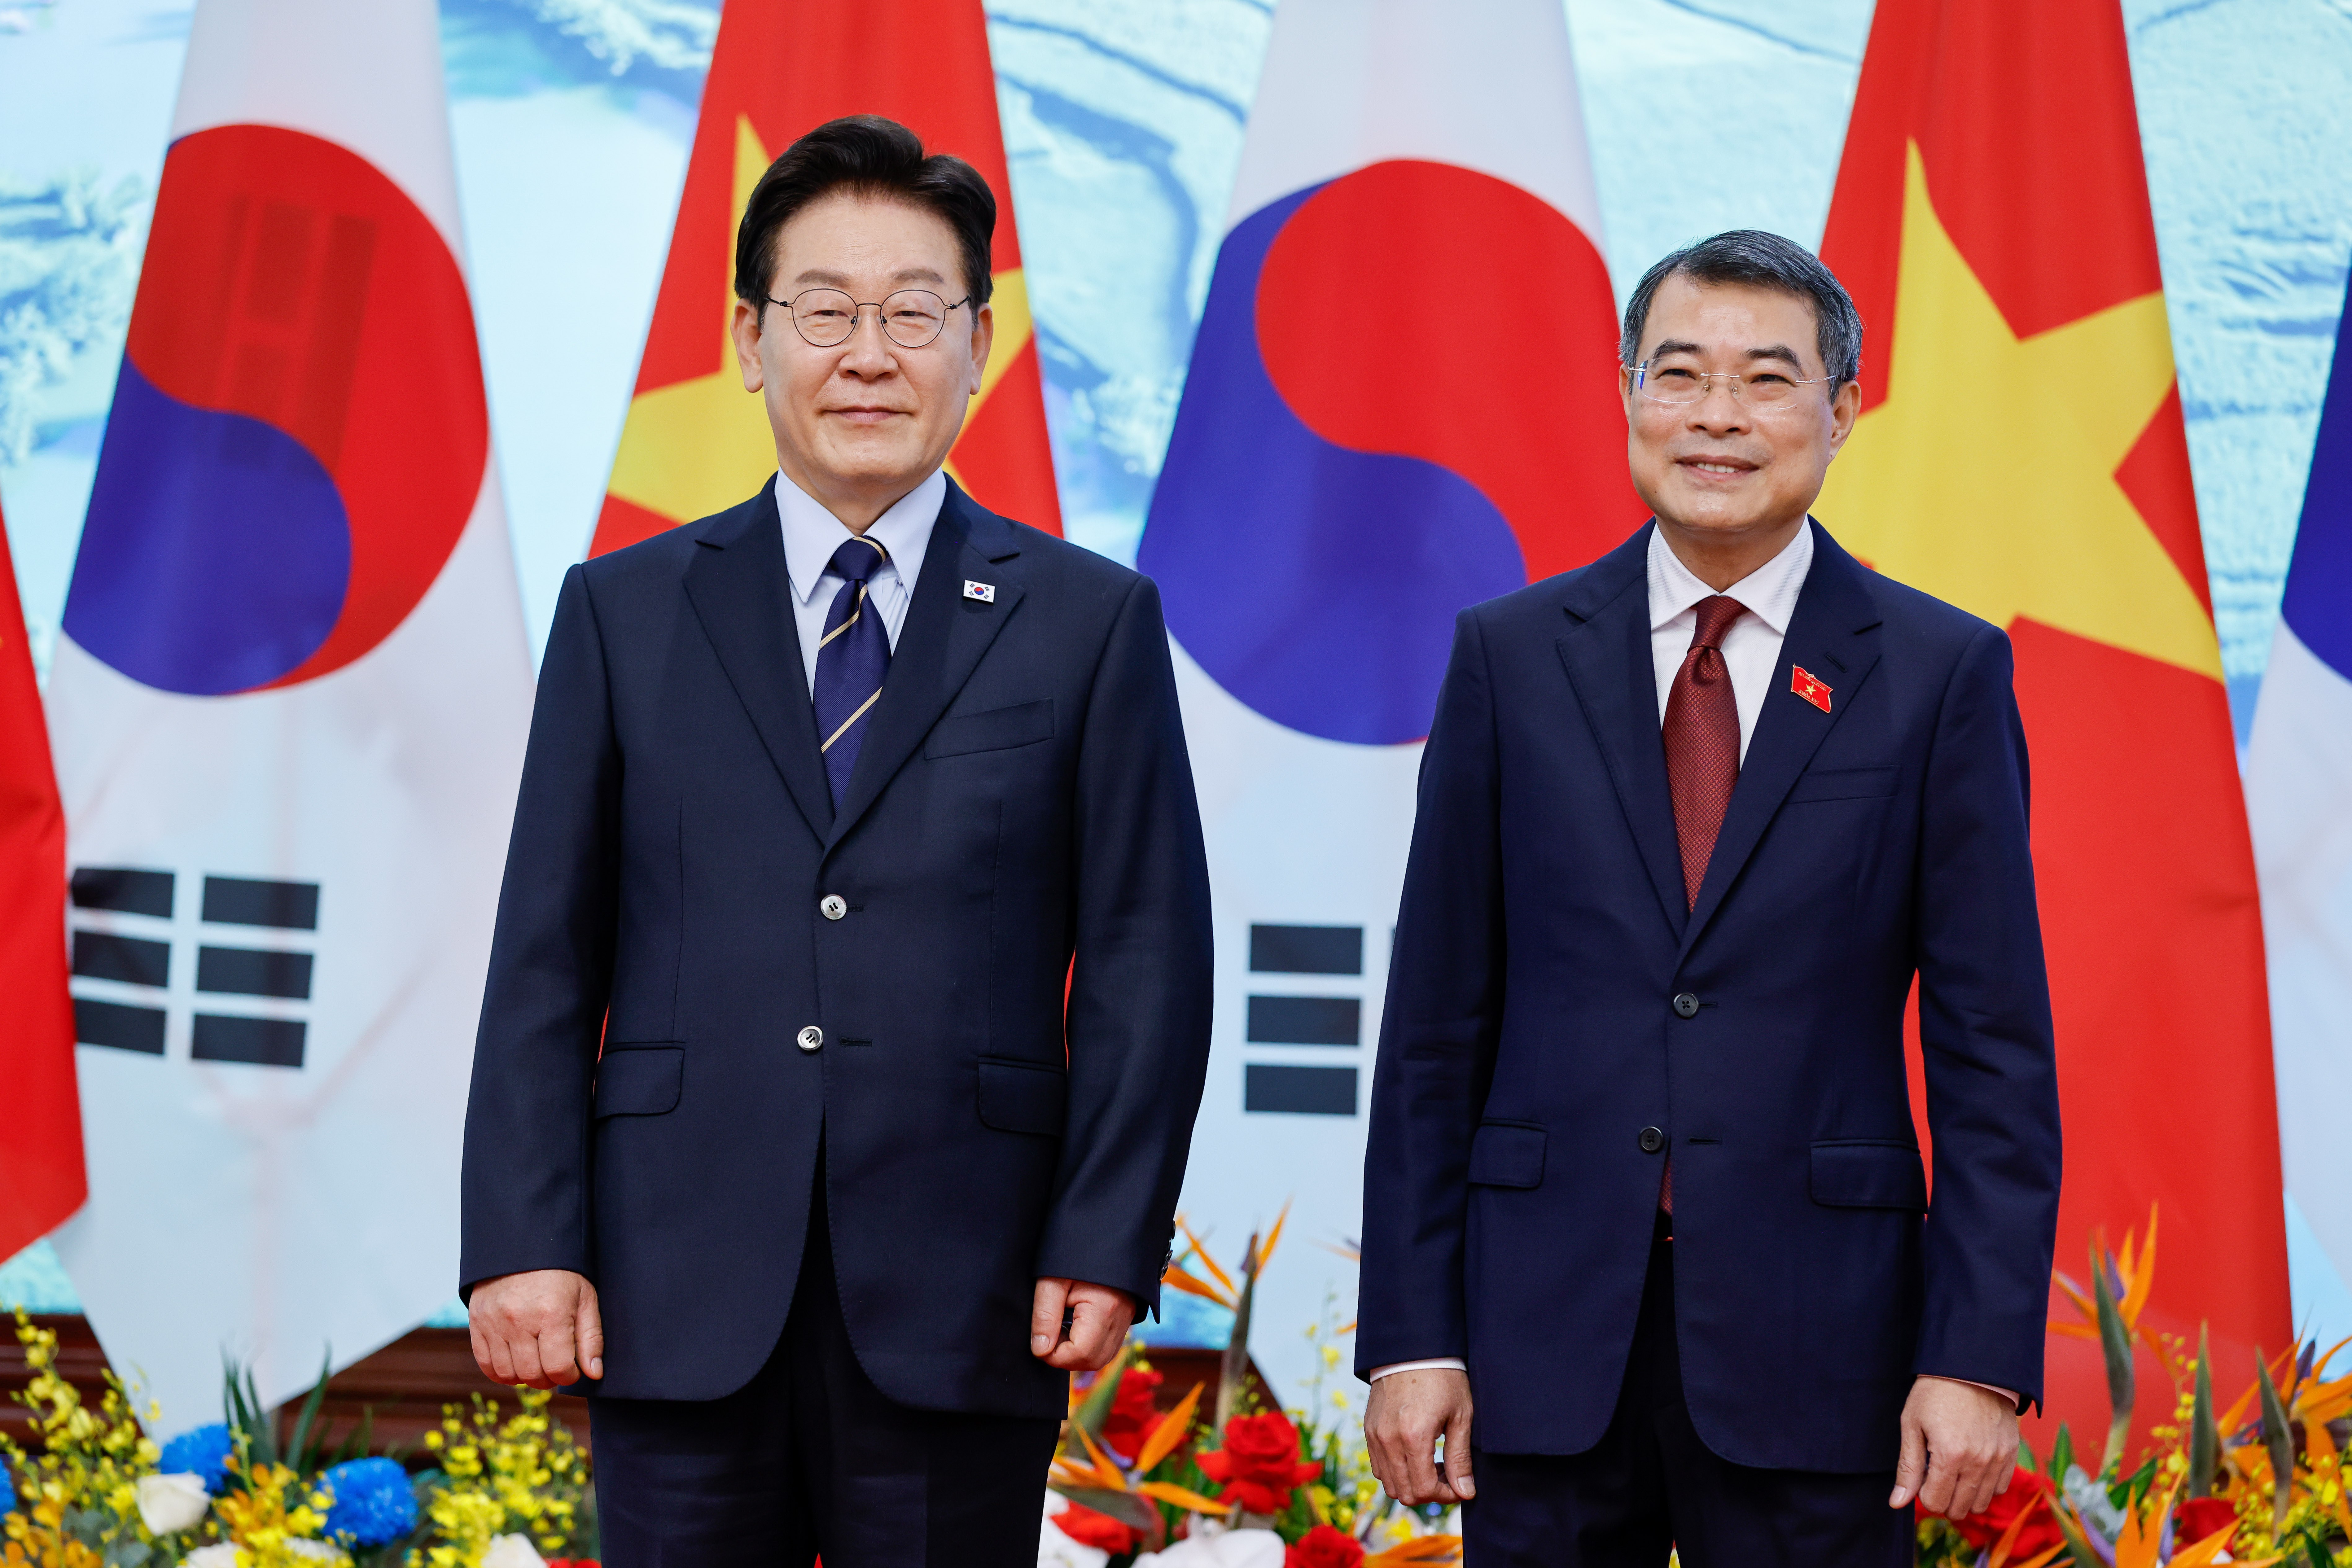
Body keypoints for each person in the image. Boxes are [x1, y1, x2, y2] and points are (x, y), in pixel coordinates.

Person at [458, 115, 1214, 1567]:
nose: (869, 353)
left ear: (977, 343)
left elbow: (1144, 959)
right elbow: (544, 957)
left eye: (915, 311)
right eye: (823, 310)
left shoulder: (1088, 621)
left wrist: (1105, 1235)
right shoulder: (623, 610)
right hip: (672, 1278)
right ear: (751, 338)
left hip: (970, 1281)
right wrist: (522, 1234)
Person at [1355, 230, 2062, 1565]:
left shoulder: (1937, 674)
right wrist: (1414, 1332)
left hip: (1824, 1346)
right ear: (1630, 396)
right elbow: (1435, 1030)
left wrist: (1977, 1357)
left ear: (1842, 412)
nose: (1718, 418)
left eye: (1766, 380)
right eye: (1678, 375)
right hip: (1543, 1343)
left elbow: (1994, 1055)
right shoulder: (1510, 659)